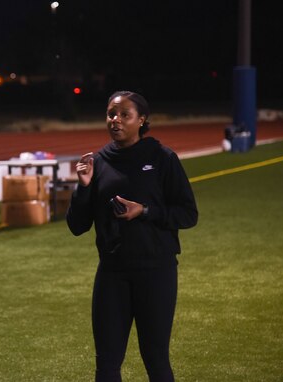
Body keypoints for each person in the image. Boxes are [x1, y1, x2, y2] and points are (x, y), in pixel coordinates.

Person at [66, 91, 198, 382]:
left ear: (142, 120)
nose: (116, 120)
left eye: (125, 114)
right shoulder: (97, 162)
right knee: (107, 364)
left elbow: (188, 214)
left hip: (156, 272)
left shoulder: (162, 158)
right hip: (113, 274)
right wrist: (84, 187)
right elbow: (77, 226)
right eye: (112, 114)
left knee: (155, 359)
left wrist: (145, 211)